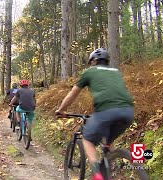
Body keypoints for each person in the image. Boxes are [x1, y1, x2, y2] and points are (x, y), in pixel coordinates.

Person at [55, 48, 134, 180]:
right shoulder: (116, 72)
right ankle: (114, 169)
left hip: (106, 111)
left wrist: (61, 110)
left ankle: (97, 175)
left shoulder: (90, 72)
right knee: (108, 141)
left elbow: (72, 94)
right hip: (128, 112)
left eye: (91, 62)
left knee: (87, 139)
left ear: (94, 61)